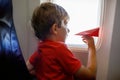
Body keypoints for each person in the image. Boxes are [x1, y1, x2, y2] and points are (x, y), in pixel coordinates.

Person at [26, 2, 97, 80]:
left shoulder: (40, 49)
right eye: (65, 24)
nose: (68, 30)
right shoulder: (60, 49)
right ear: (55, 28)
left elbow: (27, 68)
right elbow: (90, 76)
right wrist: (91, 47)